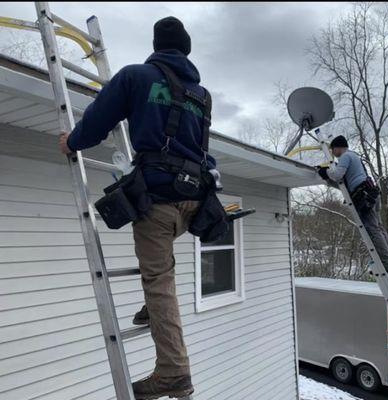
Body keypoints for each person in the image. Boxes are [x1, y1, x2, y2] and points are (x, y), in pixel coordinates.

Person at [59, 16, 214, 399]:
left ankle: (173, 372)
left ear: (156, 45)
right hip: (192, 203)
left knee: (159, 281)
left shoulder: (135, 77)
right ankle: (152, 308)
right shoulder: (202, 95)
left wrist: (71, 142)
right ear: (187, 49)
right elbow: (202, 148)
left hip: (158, 202)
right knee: (161, 272)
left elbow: (97, 121)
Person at [316, 135, 388, 273]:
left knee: (373, 230)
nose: (333, 154)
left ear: (338, 148)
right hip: (371, 194)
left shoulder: (346, 157)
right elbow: (345, 182)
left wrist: (325, 171)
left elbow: (336, 175)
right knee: (379, 228)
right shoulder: (354, 158)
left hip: (365, 196)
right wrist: (329, 177)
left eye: (333, 150)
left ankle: (386, 263)